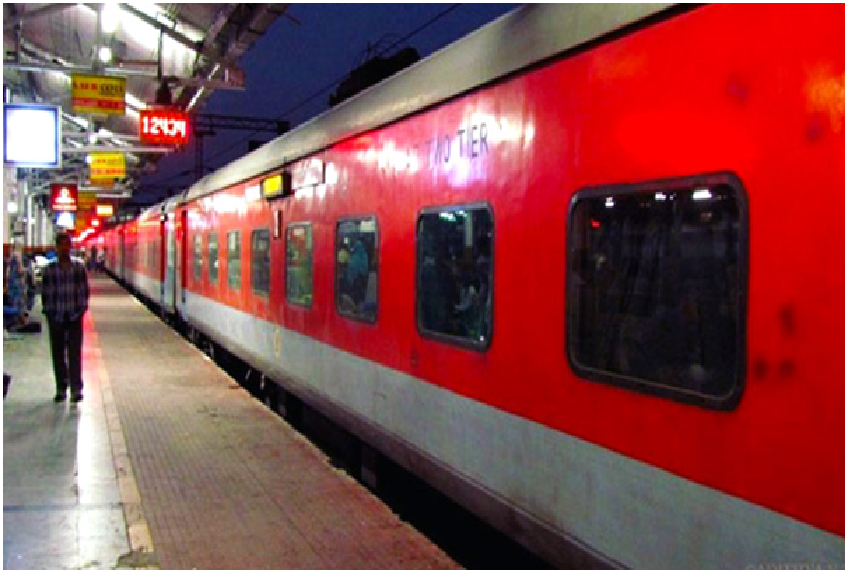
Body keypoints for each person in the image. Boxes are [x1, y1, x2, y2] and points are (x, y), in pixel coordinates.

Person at [41, 232, 90, 403]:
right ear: (56, 247)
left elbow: (84, 290)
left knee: (74, 353)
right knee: (58, 353)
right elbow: (45, 293)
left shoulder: (79, 267)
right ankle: (61, 388)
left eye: (67, 244)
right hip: (56, 317)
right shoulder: (49, 269)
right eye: (61, 245)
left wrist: (81, 309)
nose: (64, 248)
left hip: (74, 316)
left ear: (70, 246)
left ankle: (76, 389)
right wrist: (49, 313)